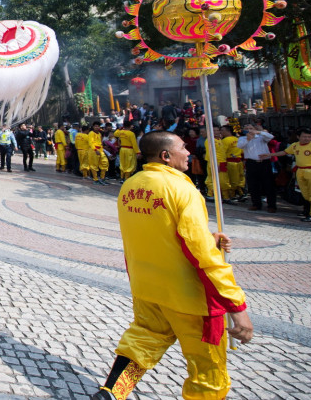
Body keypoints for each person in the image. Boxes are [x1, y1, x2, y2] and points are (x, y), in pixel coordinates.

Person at [91, 131, 252, 400]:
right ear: (166, 156)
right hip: (189, 296)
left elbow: (159, 232)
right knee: (207, 367)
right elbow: (203, 255)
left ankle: (112, 392)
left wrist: (208, 239)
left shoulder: (131, 185)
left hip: (148, 287)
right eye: (183, 148)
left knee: (142, 343)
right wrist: (236, 305)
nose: (189, 152)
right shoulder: (182, 189)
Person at [266, 128, 311, 222]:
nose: (307, 138)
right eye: (304, 136)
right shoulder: (295, 146)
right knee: (306, 195)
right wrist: (270, 154)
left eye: (309, 137)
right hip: (300, 171)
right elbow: (284, 152)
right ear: (298, 137)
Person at [237, 123, 276, 213]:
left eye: (250, 128)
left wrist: (259, 132)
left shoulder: (261, 137)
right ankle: (256, 204)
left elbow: (270, 136)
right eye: (246, 128)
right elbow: (240, 146)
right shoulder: (242, 138)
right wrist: (248, 139)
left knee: (268, 184)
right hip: (251, 163)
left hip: (264, 163)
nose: (249, 130)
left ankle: (272, 205)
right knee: (253, 184)